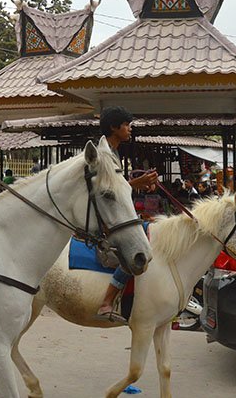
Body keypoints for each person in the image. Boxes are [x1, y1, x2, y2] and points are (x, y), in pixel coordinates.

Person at [95, 106, 159, 323]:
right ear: (114, 127)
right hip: (107, 218)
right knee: (133, 250)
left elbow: (119, 187)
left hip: (117, 212)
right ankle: (107, 301)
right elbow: (108, 190)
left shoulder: (113, 150)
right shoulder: (103, 154)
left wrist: (140, 185)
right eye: (126, 125)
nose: (130, 129)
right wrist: (137, 183)